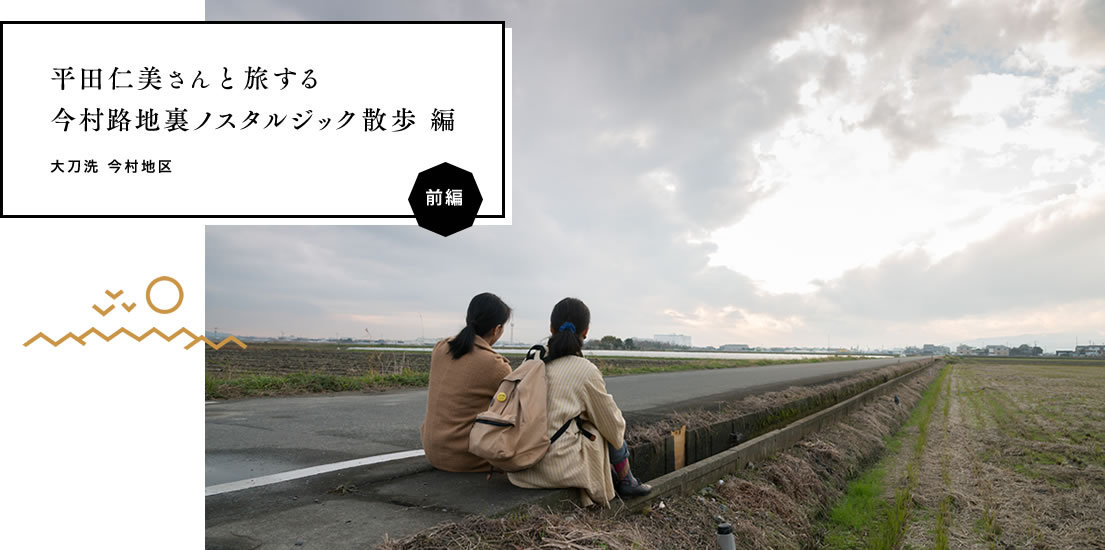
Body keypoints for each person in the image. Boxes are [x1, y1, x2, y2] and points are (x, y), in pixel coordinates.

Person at [508, 297, 651, 506]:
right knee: (603, 423)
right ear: (586, 331)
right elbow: (612, 426)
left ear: (551, 328)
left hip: (520, 466)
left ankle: (621, 478)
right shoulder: (585, 370)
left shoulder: (532, 359)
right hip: (557, 469)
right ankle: (626, 479)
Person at [420, 292, 513, 472]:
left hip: (432, 451)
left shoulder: (441, 348)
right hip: (464, 458)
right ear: (497, 329)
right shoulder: (495, 365)